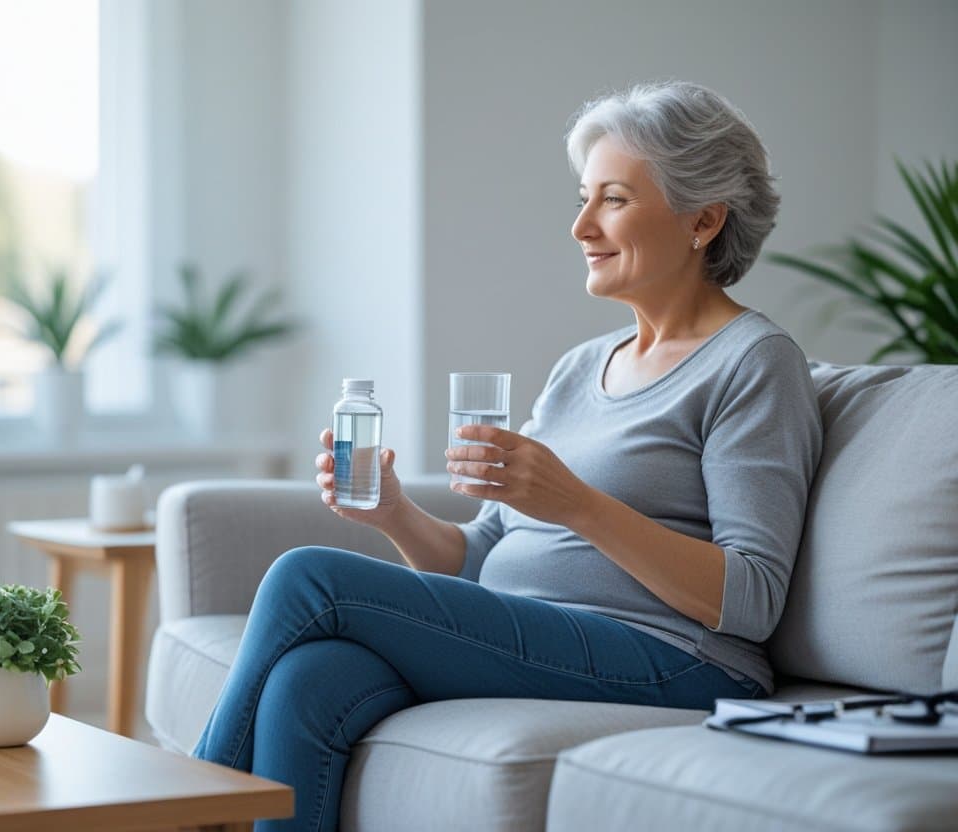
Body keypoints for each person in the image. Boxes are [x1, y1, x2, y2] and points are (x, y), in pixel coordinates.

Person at [192, 80, 823, 832]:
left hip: (683, 661)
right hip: (536, 628)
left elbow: (750, 601)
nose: (581, 226)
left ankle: (178, 812)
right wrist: (394, 512)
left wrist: (577, 504)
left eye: (613, 200)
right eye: (582, 198)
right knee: (310, 679)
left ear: (704, 220)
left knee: (309, 576)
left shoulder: (754, 362)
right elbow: (480, 559)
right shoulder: (581, 367)